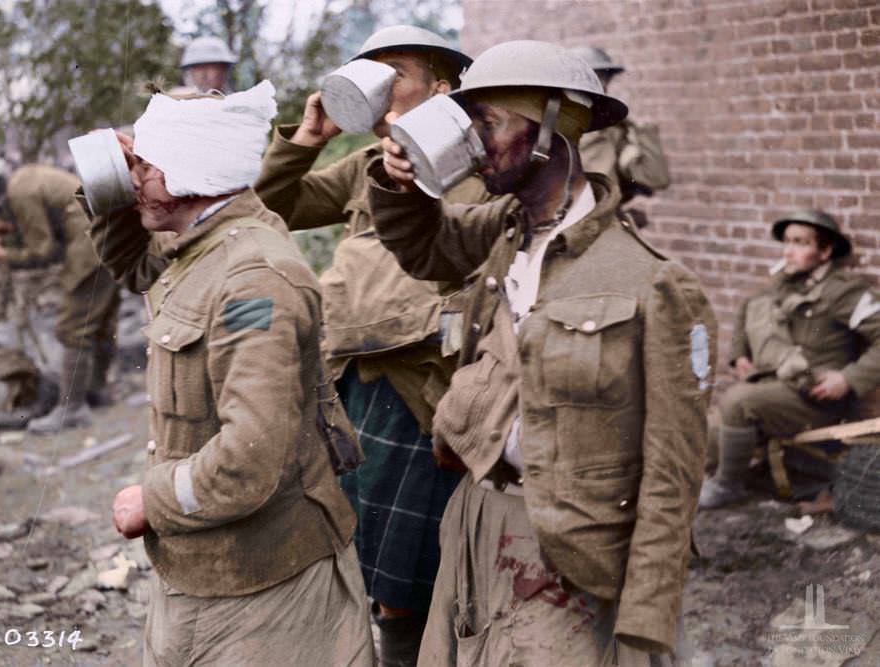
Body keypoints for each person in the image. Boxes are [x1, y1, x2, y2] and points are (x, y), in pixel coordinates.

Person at [371, 39, 715, 665]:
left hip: (572, 548)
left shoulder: (652, 282)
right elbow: (421, 246)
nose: (473, 143)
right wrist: (402, 181)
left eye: (489, 123)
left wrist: (646, 623)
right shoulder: (501, 231)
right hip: (477, 518)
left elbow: (673, 475)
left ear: (553, 129)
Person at [90, 82, 373, 666]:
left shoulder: (252, 281)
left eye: (143, 165)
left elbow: (249, 456)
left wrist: (153, 497)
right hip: (217, 564)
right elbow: (132, 265)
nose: (133, 177)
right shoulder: (204, 245)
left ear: (190, 170)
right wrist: (113, 186)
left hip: (261, 583)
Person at [255, 25, 485, 665]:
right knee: (370, 563)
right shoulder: (364, 166)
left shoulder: (475, 163)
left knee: (422, 570)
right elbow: (274, 206)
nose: (381, 88)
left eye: (396, 74)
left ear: (441, 88)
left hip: (427, 388)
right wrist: (307, 140)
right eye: (370, 74)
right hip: (357, 380)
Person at [699, 209, 880, 509]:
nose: (789, 252)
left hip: (816, 398)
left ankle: (728, 486)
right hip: (777, 389)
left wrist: (848, 379)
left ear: (825, 251)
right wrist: (739, 354)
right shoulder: (785, 284)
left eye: (800, 243)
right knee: (706, 434)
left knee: (737, 401)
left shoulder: (845, 292)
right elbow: (749, 308)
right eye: (787, 242)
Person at [0, 156, 121, 431]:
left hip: (89, 251)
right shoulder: (24, 179)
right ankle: (96, 391)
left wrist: (4, 254)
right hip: (108, 238)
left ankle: (72, 410)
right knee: (101, 323)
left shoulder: (20, 195)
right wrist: (14, 229)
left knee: (72, 329)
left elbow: (44, 251)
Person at [574, 46, 670, 226]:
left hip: (602, 229)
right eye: (592, 78)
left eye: (604, 78)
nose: (600, 85)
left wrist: (644, 132)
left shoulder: (615, 133)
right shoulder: (547, 130)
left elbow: (655, 178)